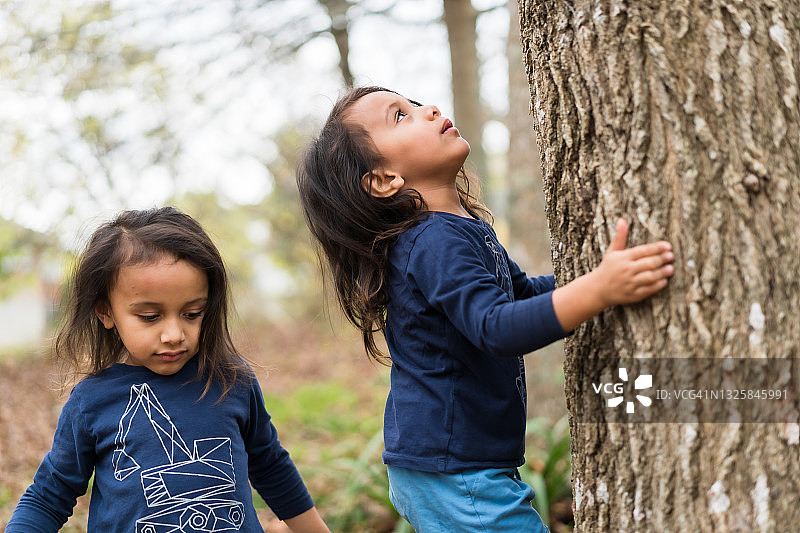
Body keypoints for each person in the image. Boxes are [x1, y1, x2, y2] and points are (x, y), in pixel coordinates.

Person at [296, 86, 675, 532]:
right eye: (401, 116)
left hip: (457, 464)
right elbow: (496, 328)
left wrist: (597, 278)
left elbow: (519, 295)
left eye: (415, 103)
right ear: (384, 179)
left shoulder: (460, 229)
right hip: (453, 469)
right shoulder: (433, 241)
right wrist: (600, 290)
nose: (429, 109)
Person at [6, 207, 330, 533]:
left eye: (192, 313)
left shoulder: (232, 381)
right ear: (106, 312)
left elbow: (270, 465)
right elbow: (50, 493)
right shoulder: (92, 401)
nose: (174, 334)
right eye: (149, 316)